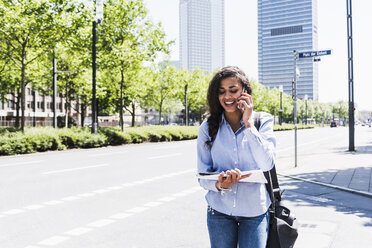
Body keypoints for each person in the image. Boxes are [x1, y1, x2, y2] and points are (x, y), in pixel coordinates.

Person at [197, 66, 276, 248]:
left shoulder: (262, 121)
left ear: (244, 92)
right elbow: (202, 175)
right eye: (221, 92)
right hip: (219, 211)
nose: (227, 97)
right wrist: (219, 184)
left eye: (233, 90)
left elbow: (267, 163)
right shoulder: (207, 127)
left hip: (254, 211)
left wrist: (248, 124)